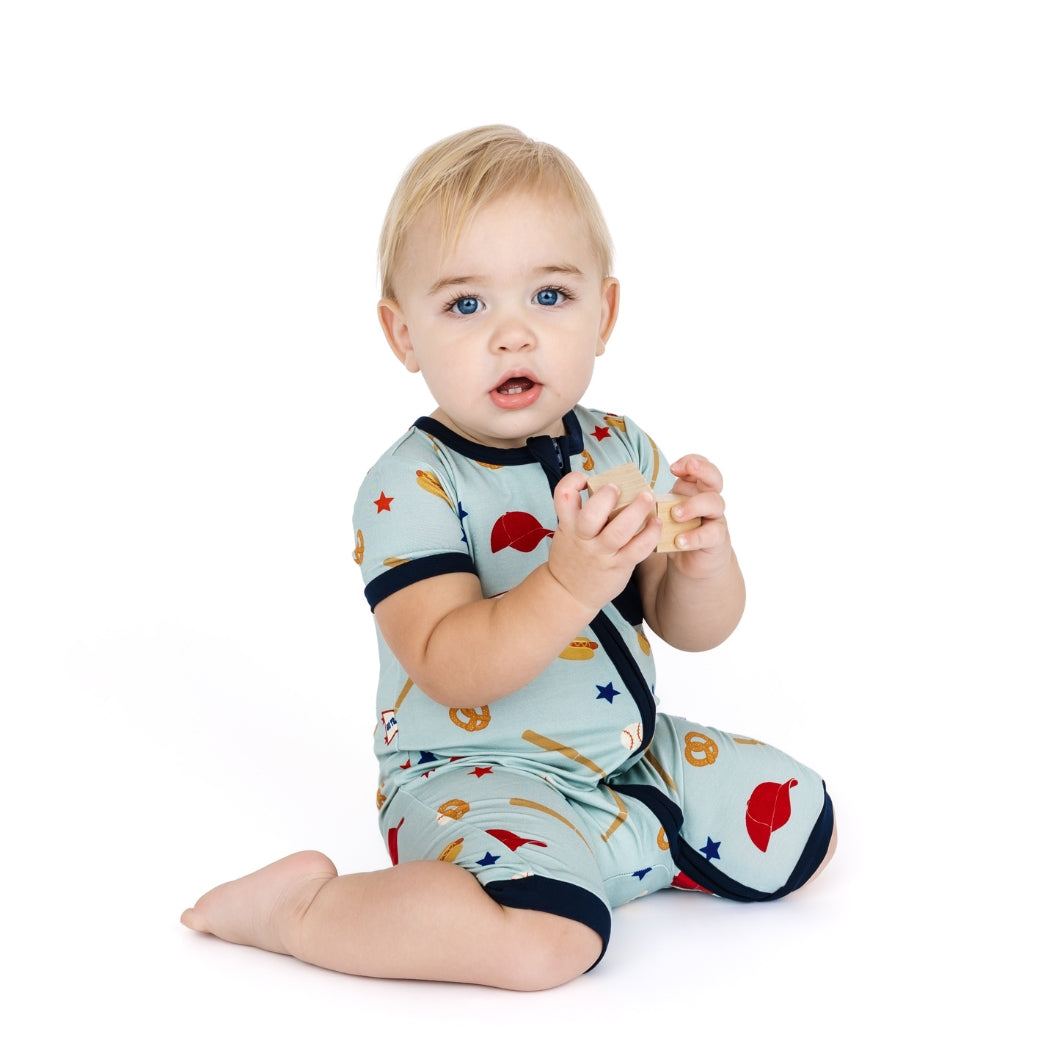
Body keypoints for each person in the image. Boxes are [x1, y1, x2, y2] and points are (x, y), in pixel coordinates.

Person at [181, 125, 837, 991]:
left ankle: (598, 850)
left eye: (551, 297)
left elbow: (688, 629)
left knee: (802, 825)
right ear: (402, 334)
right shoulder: (410, 485)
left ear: (604, 314)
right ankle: (302, 914)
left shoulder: (619, 446)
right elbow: (449, 663)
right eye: (465, 306)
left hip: (617, 753)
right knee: (545, 948)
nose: (513, 335)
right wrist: (567, 581)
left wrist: (704, 567)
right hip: (470, 774)